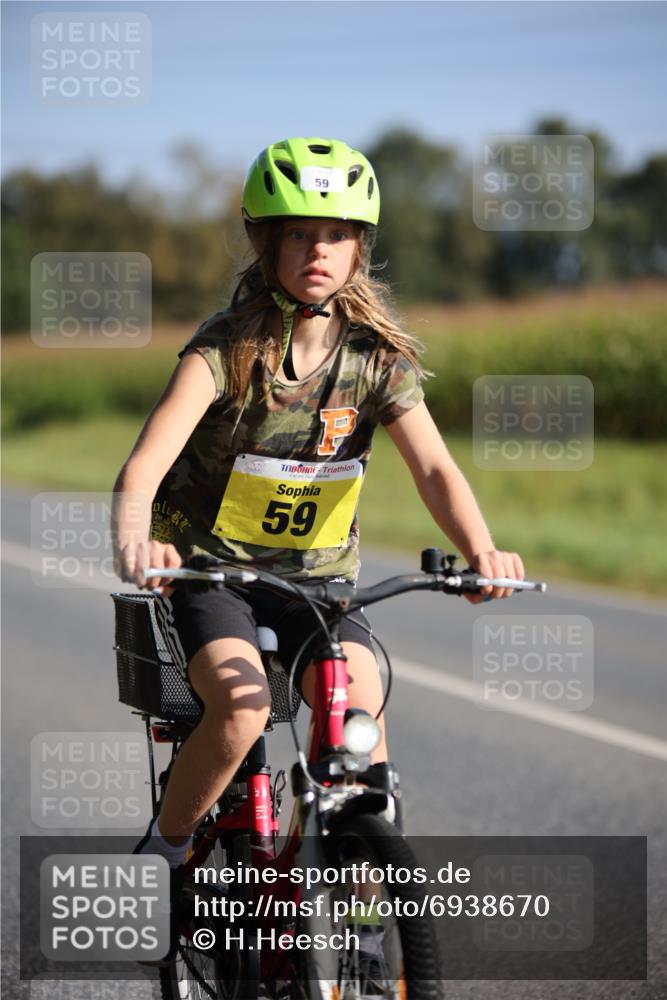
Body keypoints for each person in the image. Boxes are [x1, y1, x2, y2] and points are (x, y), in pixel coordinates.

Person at [112, 136, 524, 869]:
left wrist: (479, 549)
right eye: (299, 233)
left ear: (359, 248)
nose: (318, 250)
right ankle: (166, 848)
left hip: (319, 583)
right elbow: (145, 465)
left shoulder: (374, 360)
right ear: (266, 242)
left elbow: (433, 467)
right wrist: (136, 541)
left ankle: (365, 917)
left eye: (336, 235)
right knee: (241, 713)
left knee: (359, 730)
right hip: (216, 579)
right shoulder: (226, 349)